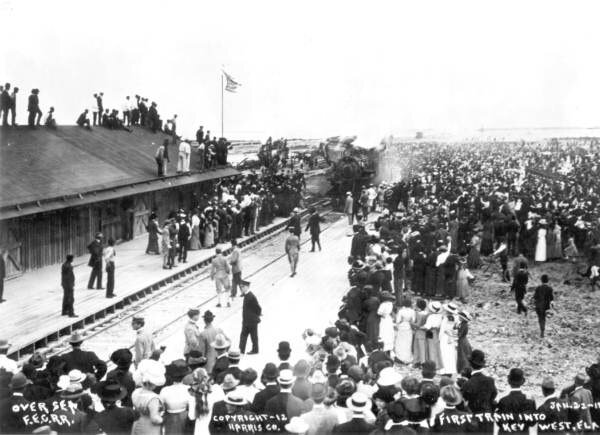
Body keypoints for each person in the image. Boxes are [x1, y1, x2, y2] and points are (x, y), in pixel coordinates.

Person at [494, 368, 537, 435]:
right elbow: (532, 422)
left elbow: (499, 422)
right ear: (522, 381)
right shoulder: (529, 401)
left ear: (509, 381)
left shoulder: (503, 401)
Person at [131, 360, 165, 435]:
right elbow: (155, 419)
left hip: (138, 423)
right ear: (152, 383)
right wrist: (164, 420)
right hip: (150, 428)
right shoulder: (153, 398)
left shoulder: (136, 392)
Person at [240, 280, 261, 355]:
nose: (242, 288)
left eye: (243, 287)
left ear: (247, 287)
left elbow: (258, 308)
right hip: (247, 320)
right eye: (241, 287)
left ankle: (251, 350)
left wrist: (255, 316)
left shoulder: (251, 296)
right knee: (247, 335)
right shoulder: (247, 295)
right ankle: (243, 350)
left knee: (251, 336)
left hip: (251, 321)